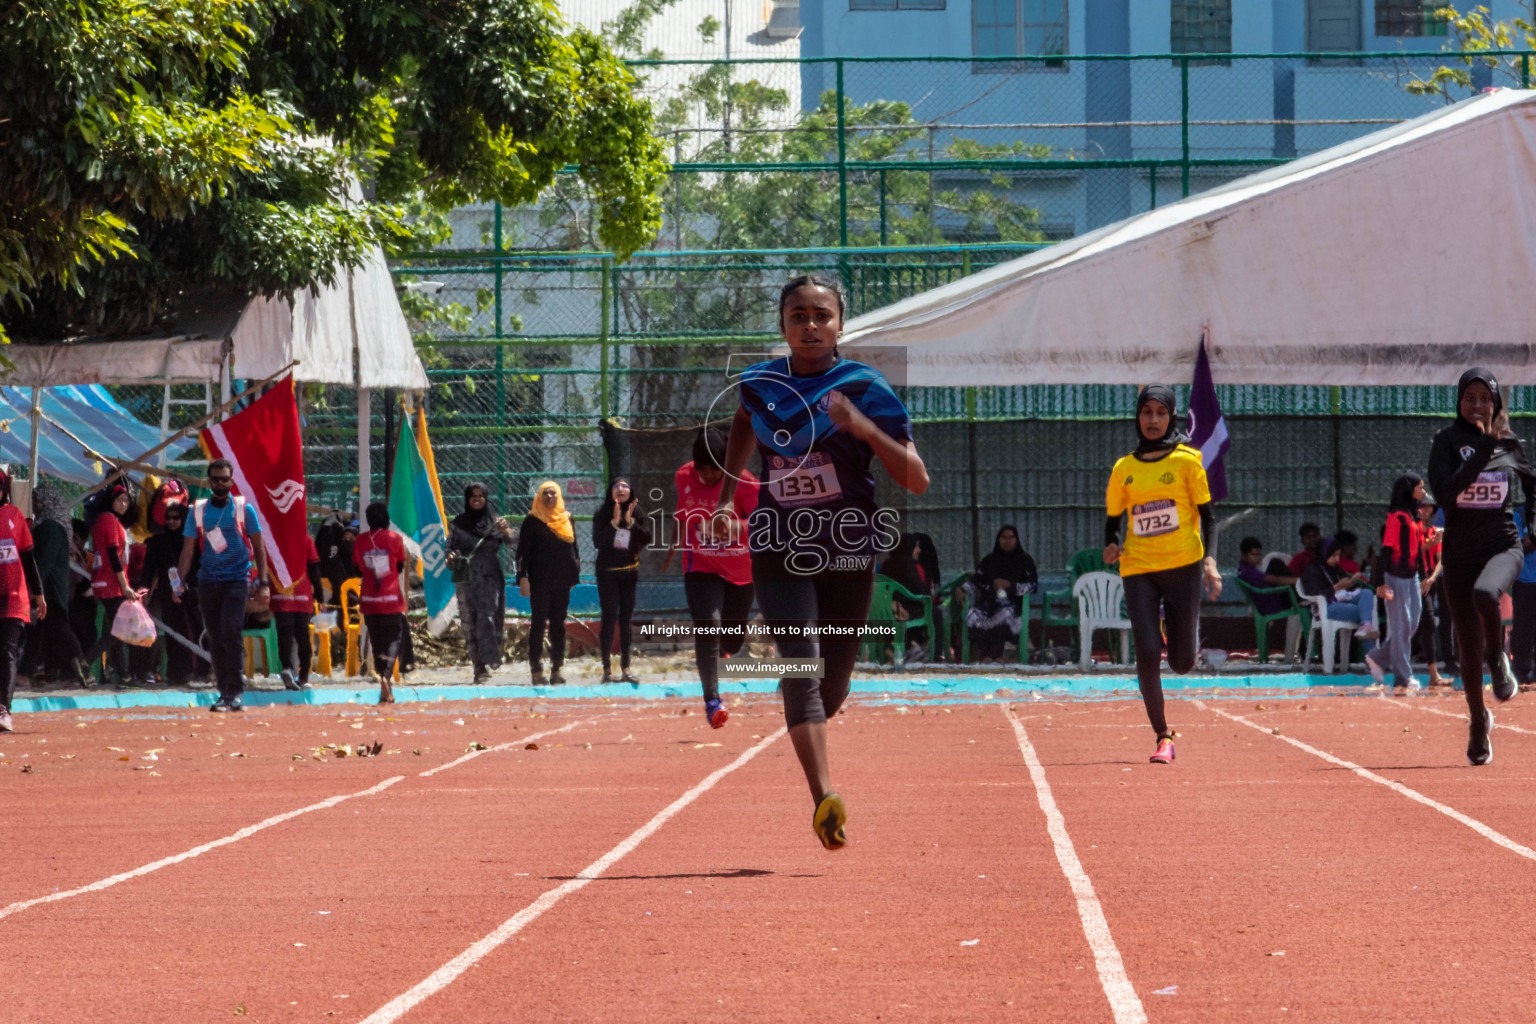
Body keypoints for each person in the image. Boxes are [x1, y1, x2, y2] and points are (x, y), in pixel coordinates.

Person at [714, 273, 929, 850]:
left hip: (848, 550)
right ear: (782, 325)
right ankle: (824, 798)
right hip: (779, 545)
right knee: (801, 667)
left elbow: (917, 479)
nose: (810, 326)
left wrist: (861, 428)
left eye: (821, 315)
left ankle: (804, 716)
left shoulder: (864, 386)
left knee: (830, 686)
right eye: (798, 316)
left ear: (840, 324)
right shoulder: (759, 383)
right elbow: (741, 421)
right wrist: (730, 496)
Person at [1103, 385, 1222, 765]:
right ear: (1137, 417)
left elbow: (1209, 519)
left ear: (1172, 417)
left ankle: (1176, 629)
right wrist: (1110, 544)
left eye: (1160, 413)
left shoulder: (1188, 460)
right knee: (1148, 653)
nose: (1152, 420)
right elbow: (1111, 523)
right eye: (1146, 412)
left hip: (1184, 567)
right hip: (1138, 568)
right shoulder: (1124, 469)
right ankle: (1162, 736)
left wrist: (1210, 562)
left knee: (1182, 662)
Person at [1428, 368, 1536, 765]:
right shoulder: (1445, 442)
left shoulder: (1510, 443)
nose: (1477, 405)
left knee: (1486, 593)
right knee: (1465, 649)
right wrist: (1484, 446)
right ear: (1459, 401)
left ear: (1496, 404)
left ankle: (1498, 656)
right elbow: (1445, 490)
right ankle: (1478, 721)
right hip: (1458, 553)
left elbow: (1532, 484)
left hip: (1504, 545)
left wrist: (1534, 533)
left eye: (1484, 398)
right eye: (1469, 397)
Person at [662, 426, 759, 727]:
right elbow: (683, 510)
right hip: (700, 565)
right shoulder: (683, 477)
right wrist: (674, 543)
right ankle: (712, 701)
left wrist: (735, 528)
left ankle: (726, 650)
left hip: (741, 571)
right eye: (701, 471)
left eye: (712, 472)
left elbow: (763, 523)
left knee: (732, 640)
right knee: (708, 627)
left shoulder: (746, 483)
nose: (705, 477)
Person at [177, 459, 268, 713]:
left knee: (231, 631)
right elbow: (188, 549)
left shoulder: (243, 509)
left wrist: (264, 582)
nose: (220, 483)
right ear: (209, 481)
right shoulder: (198, 511)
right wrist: (179, 582)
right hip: (208, 581)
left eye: (224, 479)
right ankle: (223, 693)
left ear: (231, 480)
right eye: (215, 479)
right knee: (216, 637)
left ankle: (235, 691)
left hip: (237, 580)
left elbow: (259, 546)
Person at [1367, 476, 1432, 692]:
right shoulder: (1396, 518)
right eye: (1420, 488)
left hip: (1412, 577)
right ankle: (1403, 677)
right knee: (1402, 625)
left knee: (1411, 624)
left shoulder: (1416, 515)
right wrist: (1380, 584)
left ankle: (1377, 657)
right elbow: (1385, 552)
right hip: (1395, 578)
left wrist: (1423, 577)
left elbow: (1419, 550)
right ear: (1408, 490)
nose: (1423, 491)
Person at [448, 482, 514, 683]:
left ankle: (490, 658)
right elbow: (449, 546)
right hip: (467, 579)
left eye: (481, 495)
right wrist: (450, 556)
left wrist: (507, 531)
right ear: (467, 500)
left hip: (490, 578)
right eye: (473, 496)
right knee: (470, 621)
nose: (477, 499)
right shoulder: (459, 523)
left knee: (487, 617)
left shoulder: (494, 522)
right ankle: (479, 667)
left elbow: (513, 541)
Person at [516, 481, 580, 686]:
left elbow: (574, 550)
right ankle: (536, 670)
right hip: (540, 581)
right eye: (546, 494)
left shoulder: (567, 519)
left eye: (553, 494)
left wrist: (574, 577)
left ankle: (556, 670)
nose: (550, 497)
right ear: (539, 497)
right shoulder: (532, 520)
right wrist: (522, 578)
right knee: (538, 624)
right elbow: (522, 553)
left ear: (559, 496)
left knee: (558, 626)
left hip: (562, 582)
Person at [141, 500, 207, 686]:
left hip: (189, 593)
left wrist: (186, 587)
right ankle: (175, 673)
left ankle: (192, 671)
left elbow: (196, 567)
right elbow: (149, 568)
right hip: (166, 595)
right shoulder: (158, 542)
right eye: (168, 518)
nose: (171, 522)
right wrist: (144, 588)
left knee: (190, 632)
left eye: (176, 518)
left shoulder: (191, 541)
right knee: (172, 633)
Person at [0, 470, 46, 733]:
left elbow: (28, 559)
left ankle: (3, 708)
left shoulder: (15, 517)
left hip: (13, 598)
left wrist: (38, 594)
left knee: (6, 652)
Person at [81, 483, 141, 687]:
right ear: (110, 501)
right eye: (120, 500)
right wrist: (125, 586)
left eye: (126, 501)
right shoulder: (109, 521)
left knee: (115, 629)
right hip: (112, 583)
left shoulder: (104, 521)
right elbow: (114, 556)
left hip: (104, 581)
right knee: (118, 630)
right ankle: (85, 661)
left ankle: (124, 676)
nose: (124, 504)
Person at [592, 477, 651, 683]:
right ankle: (607, 670)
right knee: (609, 617)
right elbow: (598, 541)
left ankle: (626, 669)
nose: (621, 488)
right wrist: (615, 522)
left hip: (629, 572)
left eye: (625, 485)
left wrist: (630, 521)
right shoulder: (602, 513)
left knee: (626, 619)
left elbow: (646, 537)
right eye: (616, 486)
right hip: (607, 573)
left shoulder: (637, 512)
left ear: (631, 491)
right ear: (610, 492)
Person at [25, 483, 84, 686]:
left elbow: (45, 561)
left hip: (49, 591)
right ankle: (25, 674)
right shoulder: (47, 526)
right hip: (48, 588)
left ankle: (82, 665)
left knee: (58, 626)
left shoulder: (51, 528)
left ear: (46, 502)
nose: (32, 504)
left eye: (35, 499)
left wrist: (34, 586)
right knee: (36, 633)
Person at [352, 503, 407, 702]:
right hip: (391, 599)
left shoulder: (359, 541)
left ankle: (385, 685)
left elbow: (357, 567)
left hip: (369, 600)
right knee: (394, 639)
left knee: (377, 641)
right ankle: (386, 677)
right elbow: (400, 564)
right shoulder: (395, 539)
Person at [964, 526, 1037, 663]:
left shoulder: (1024, 561)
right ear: (998, 540)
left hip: (1012, 605)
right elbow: (976, 581)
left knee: (1004, 614)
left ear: (1017, 540)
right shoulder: (989, 560)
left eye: (1011, 537)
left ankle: (997, 655)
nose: (1007, 541)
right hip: (987, 605)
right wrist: (962, 590)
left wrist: (1009, 585)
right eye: (1003, 537)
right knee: (974, 614)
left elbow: (1032, 586)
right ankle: (985, 655)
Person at [1300, 539, 1379, 659]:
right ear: (1324, 553)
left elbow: (1347, 587)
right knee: (1365, 612)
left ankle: (1366, 627)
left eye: (1338, 555)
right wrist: (1337, 587)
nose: (1337, 559)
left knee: (1367, 594)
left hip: (1341, 603)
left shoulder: (1335, 569)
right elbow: (1313, 593)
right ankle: (1371, 656)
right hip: (1325, 608)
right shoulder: (1312, 570)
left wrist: (1351, 582)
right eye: (1333, 555)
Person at [271, 534, 322, 690]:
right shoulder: (306, 540)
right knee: (303, 635)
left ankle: (287, 668)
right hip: (302, 593)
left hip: (281, 592)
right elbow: (314, 568)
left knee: (284, 634)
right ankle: (304, 676)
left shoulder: (274, 539)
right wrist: (319, 592)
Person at [879, 533, 940, 661]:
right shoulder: (908, 564)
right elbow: (921, 592)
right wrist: (928, 595)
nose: (919, 550)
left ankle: (905, 650)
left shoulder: (886, 564)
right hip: (903, 611)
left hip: (885, 612)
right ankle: (935, 657)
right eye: (916, 546)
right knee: (936, 613)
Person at [1414, 498, 1449, 687]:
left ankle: (1433, 673)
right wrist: (1428, 545)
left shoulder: (1435, 531)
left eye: (1429, 507)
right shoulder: (1414, 529)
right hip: (1413, 580)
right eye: (1423, 507)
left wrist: (1432, 579)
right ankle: (1432, 672)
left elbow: (1440, 560)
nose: (1426, 510)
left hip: (1429, 581)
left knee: (1427, 622)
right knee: (1420, 622)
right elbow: (1410, 554)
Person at [1512, 509, 1536, 687]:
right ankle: (1520, 671)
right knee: (1523, 628)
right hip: (1525, 579)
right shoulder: (1518, 515)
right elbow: (1517, 545)